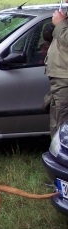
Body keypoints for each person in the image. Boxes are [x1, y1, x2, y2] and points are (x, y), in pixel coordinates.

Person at [45, 8, 68, 137]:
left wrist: (60, 24)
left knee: (64, 126)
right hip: (59, 78)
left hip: (65, 78)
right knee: (57, 124)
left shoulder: (63, 21)